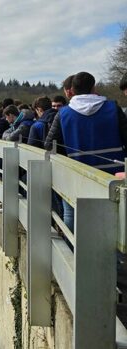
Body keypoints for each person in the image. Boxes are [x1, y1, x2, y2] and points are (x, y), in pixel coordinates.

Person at [50, 72, 127, 231]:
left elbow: (49, 145)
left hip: (77, 175)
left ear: (71, 90)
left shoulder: (63, 113)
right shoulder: (113, 108)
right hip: (113, 177)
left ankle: (72, 251)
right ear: (94, 87)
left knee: (73, 216)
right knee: (114, 222)